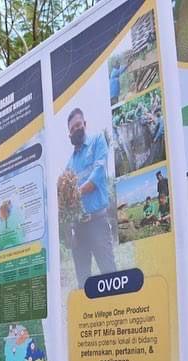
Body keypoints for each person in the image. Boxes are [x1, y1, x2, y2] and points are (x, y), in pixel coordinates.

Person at [64, 108, 117, 288]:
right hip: (79, 228)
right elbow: (66, 202)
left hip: (98, 222)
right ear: (69, 134)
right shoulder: (69, 165)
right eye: (72, 129)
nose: (76, 130)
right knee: (83, 282)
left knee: (110, 276)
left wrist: (76, 193)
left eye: (78, 125)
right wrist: (69, 228)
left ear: (84, 124)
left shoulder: (97, 142)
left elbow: (98, 175)